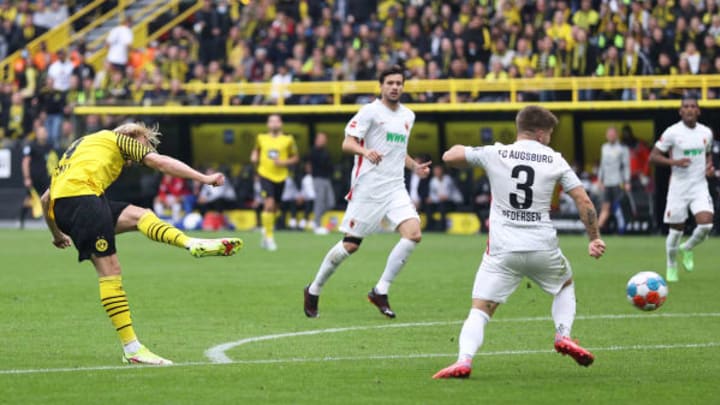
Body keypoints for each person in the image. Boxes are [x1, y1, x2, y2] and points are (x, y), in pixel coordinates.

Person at [40, 122, 243, 366]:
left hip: (73, 203)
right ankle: (132, 348)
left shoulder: (81, 145)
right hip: (82, 201)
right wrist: (204, 178)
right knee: (110, 271)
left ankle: (190, 243)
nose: (138, 158)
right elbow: (159, 162)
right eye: (144, 147)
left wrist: (57, 234)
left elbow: (45, 198)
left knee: (140, 215)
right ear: (134, 139)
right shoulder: (119, 140)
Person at [433, 106, 606, 379]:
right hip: (541, 246)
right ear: (539, 133)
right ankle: (563, 335)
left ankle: (464, 360)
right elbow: (584, 201)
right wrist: (594, 238)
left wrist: (475, 151)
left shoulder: (496, 153)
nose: (549, 139)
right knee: (564, 285)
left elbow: (450, 156)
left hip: (502, 251)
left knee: (480, 310)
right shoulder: (555, 159)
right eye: (549, 133)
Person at [303, 65, 432, 319]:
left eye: (399, 83)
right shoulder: (370, 112)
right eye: (390, 83)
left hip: (396, 187)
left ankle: (380, 290)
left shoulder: (408, 116)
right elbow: (347, 143)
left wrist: (415, 166)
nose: (395, 87)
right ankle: (314, 289)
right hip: (369, 187)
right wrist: (365, 152)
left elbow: (398, 150)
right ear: (381, 86)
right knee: (351, 245)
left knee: (413, 234)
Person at [649, 96, 715, 282]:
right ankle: (671, 264)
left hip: (699, 185)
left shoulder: (706, 133)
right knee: (676, 231)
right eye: (685, 106)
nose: (689, 109)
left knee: (706, 225)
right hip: (678, 186)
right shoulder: (672, 132)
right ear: (680, 111)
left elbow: (707, 153)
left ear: (698, 111)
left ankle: (687, 248)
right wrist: (674, 162)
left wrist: (709, 167)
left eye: (693, 106)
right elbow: (653, 157)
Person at [250, 114, 299, 251]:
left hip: (281, 176)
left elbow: (295, 158)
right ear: (267, 124)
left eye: (277, 121)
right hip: (265, 174)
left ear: (281, 124)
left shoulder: (288, 140)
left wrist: (284, 162)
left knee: (275, 209)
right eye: (271, 121)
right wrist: (254, 156)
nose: (274, 123)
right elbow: (256, 150)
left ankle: (266, 232)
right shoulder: (261, 138)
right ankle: (270, 238)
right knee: (269, 203)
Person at [20, 126, 58, 228]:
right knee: (29, 199)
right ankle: (21, 222)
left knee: (49, 199)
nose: (43, 134)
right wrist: (27, 177)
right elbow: (25, 162)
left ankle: (51, 222)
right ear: (37, 134)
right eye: (41, 132)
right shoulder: (31, 146)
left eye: (44, 132)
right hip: (34, 179)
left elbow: (53, 161)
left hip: (46, 178)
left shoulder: (50, 146)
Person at [597, 126, 631, 231]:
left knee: (618, 208)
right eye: (609, 134)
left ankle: (622, 229)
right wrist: (600, 180)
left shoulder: (622, 148)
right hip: (607, 183)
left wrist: (627, 181)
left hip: (618, 182)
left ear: (616, 135)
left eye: (612, 134)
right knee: (605, 207)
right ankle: (596, 230)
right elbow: (602, 165)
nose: (611, 136)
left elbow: (626, 166)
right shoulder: (604, 147)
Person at [309, 132, 335, 234]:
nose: (322, 141)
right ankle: (316, 224)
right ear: (316, 140)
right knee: (319, 202)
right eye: (320, 139)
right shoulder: (313, 151)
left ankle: (315, 218)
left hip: (327, 179)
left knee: (330, 202)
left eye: (324, 139)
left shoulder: (326, 151)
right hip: (318, 179)